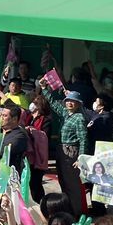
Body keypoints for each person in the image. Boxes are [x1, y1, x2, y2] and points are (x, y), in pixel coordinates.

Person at [41, 82, 88, 216]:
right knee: (63, 181)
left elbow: (83, 139)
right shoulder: (66, 114)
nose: (70, 103)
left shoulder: (79, 118)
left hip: (71, 151)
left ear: (78, 104)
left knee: (72, 184)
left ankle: (76, 212)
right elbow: (53, 103)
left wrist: (81, 158)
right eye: (68, 101)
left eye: (73, 101)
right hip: (61, 150)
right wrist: (45, 89)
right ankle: (67, 208)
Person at [0, 103, 29, 172]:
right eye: (1, 115)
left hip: (9, 176)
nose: (1, 118)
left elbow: (4, 151)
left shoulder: (20, 136)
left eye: (4, 116)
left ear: (14, 119)